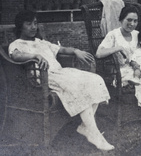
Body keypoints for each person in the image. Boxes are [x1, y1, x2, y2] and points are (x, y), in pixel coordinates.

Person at [9, 10, 114, 151]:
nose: (34, 27)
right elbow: (16, 56)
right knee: (77, 86)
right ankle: (94, 134)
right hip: (43, 77)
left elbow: (62, 49)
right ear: (20, 26)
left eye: (35, 23)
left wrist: (76, 50)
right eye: (29, 24)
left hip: (60, 73)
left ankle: (85, 127)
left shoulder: (41, 42)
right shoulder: (17, 43)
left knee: (95, 79)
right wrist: (35, 56)